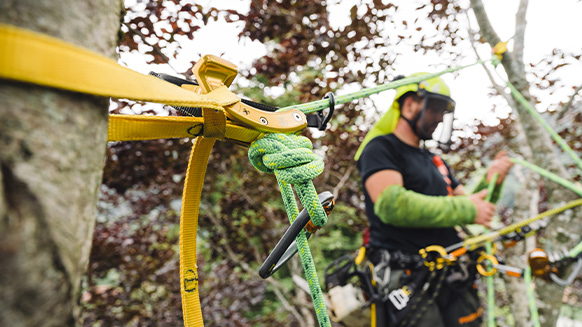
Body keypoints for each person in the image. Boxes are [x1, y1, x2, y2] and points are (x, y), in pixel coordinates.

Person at [354, 73, 513, 327]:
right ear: (409, 105)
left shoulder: (434, 160)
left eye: (443, 112)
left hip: (450, 275)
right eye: (436, 109)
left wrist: (492, 180)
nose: (440, 118)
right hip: (408, 277)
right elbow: (391, 204)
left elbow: (471, 206)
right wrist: (466, 209)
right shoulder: (381, 149)